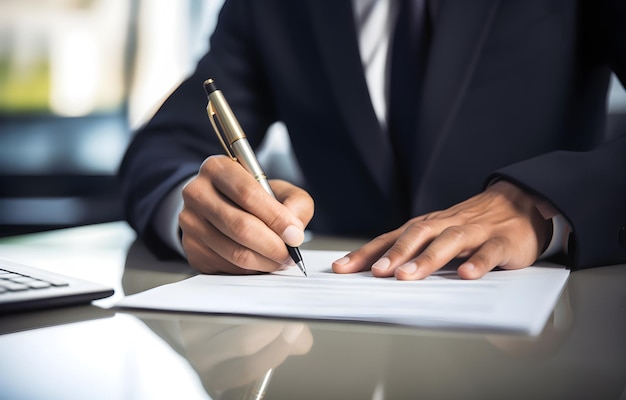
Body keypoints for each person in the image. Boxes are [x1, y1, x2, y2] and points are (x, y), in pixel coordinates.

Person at [119, 0, 626, 280]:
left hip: (557, 329)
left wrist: (544, 205)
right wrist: (208, 216)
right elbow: (163, 148)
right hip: (332, 330)